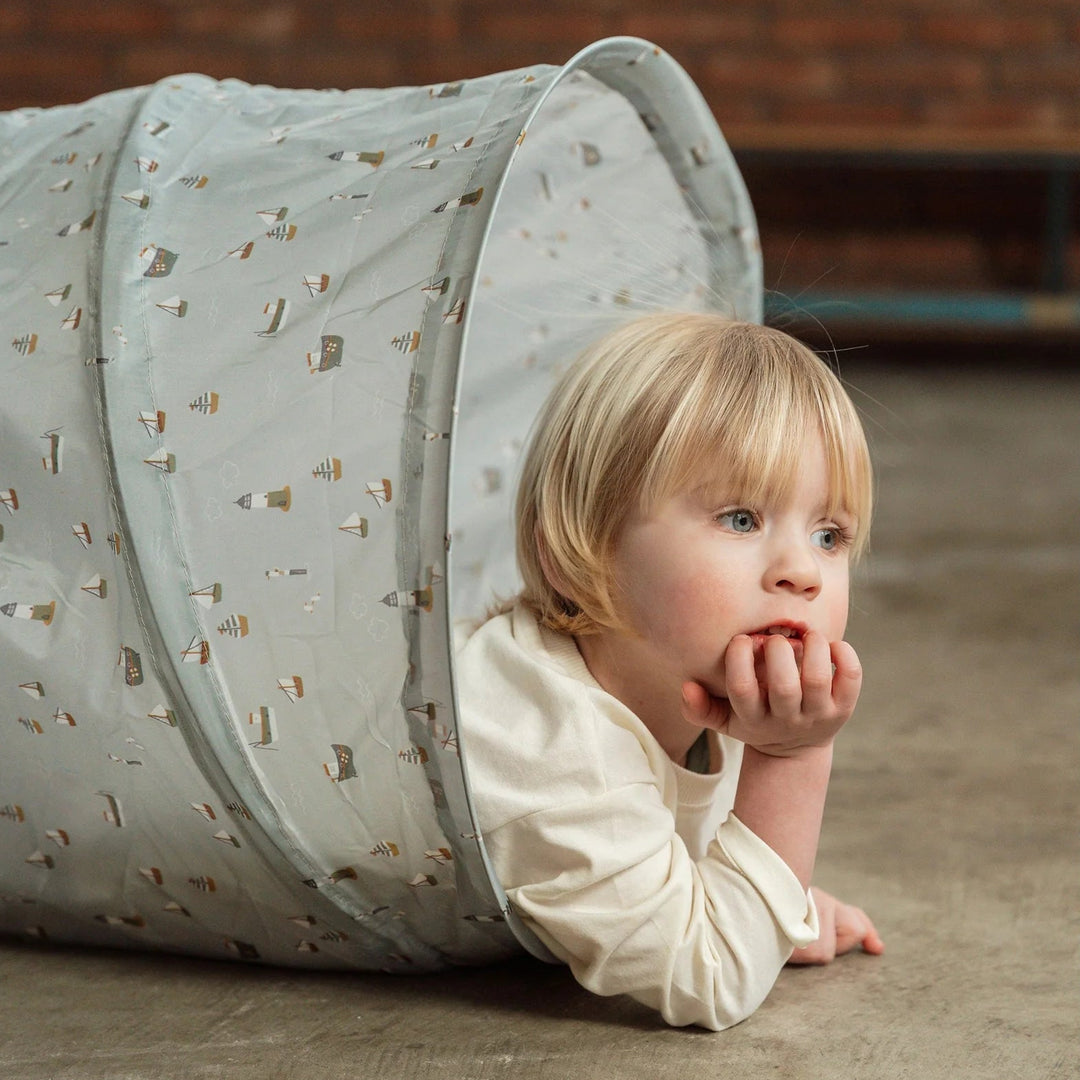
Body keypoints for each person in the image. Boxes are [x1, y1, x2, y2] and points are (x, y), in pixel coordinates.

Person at [455, 311, 884, 1030]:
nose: (802, 571)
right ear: (577, 550)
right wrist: (793, 755)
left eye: (829, 534)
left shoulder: (675, 685)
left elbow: (667, 863)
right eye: (741, 519)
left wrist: (772, 906)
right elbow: (708, 975)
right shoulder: (546, 733)